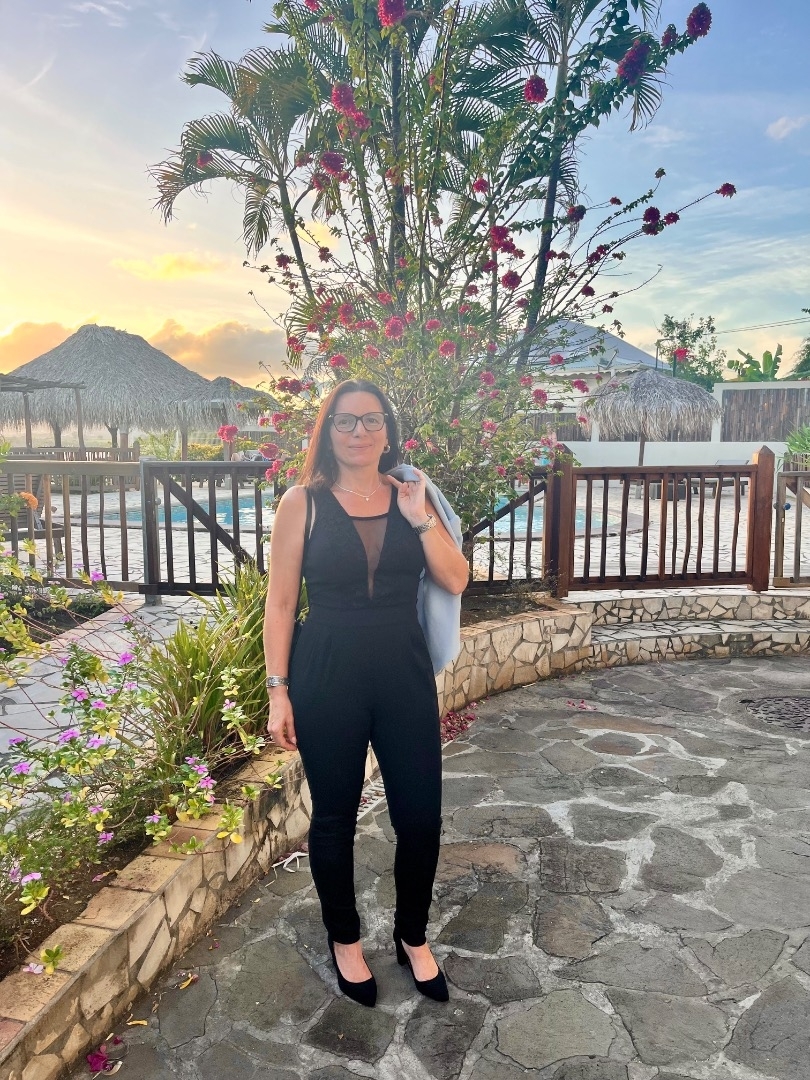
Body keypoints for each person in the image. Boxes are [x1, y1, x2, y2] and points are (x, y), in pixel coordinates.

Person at [263, 379, 468, 1007]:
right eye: (346, 421)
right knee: (334, 817)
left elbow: (457, 578)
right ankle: (345, 941)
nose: (359, 431)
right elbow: (281, 603)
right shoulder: (302, 502)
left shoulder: (412, 496)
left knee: (421, 818)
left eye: (371, 420)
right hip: (327, 674)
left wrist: (420, 516)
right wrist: (278, 691)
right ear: (328, 432)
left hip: (402, 672)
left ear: (388, 432)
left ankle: (413, 937)